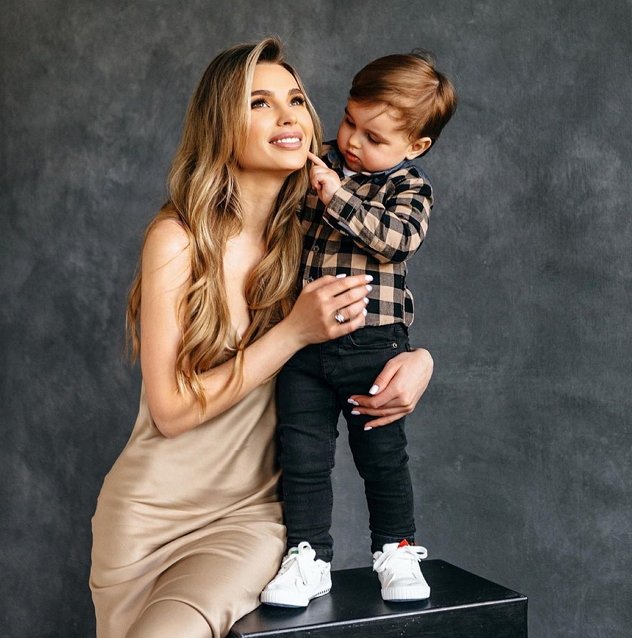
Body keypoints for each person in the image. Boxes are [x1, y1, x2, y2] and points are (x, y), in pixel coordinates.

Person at [90, 38, 434, 638]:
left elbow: (381, 301)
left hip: (252, 516)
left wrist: (421, 358)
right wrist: (294, 332)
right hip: (147, 513)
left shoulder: (311, 239)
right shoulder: (177, 239)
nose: (288, 116)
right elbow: (170, 411)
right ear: (222, 126)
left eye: (296, 100)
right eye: (259, 103)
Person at [261, 52, 457, 607]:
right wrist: (309, 186)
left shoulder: (409, 187)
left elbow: (396, 241)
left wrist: (335, 195)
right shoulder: (319, 162)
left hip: (373, 344)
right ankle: (309, 556)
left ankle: (396, 549)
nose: (351, 141)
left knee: (382, 457)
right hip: (303, 342)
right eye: (349, 120)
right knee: (302, 456)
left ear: (416, 146)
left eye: (374, 137)